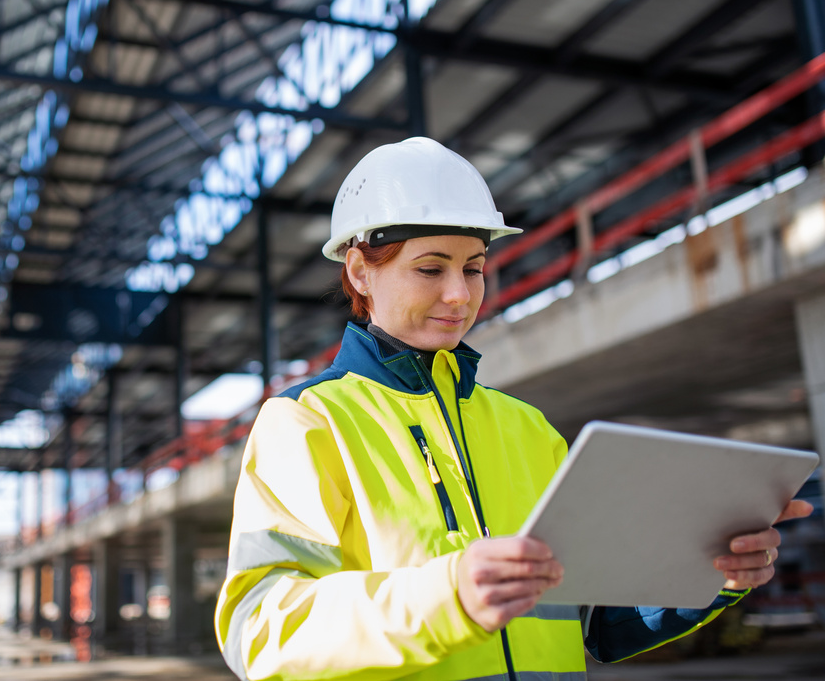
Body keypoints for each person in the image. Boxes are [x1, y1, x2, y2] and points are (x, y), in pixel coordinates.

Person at [214, 137, 812, 681]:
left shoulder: (527, 428)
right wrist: (450, 597)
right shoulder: (308, 422)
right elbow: (262, 630)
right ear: (360, 271)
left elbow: (597, 620)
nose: (459, 294)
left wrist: (711, 575)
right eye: (430, 268)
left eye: (474, 269)